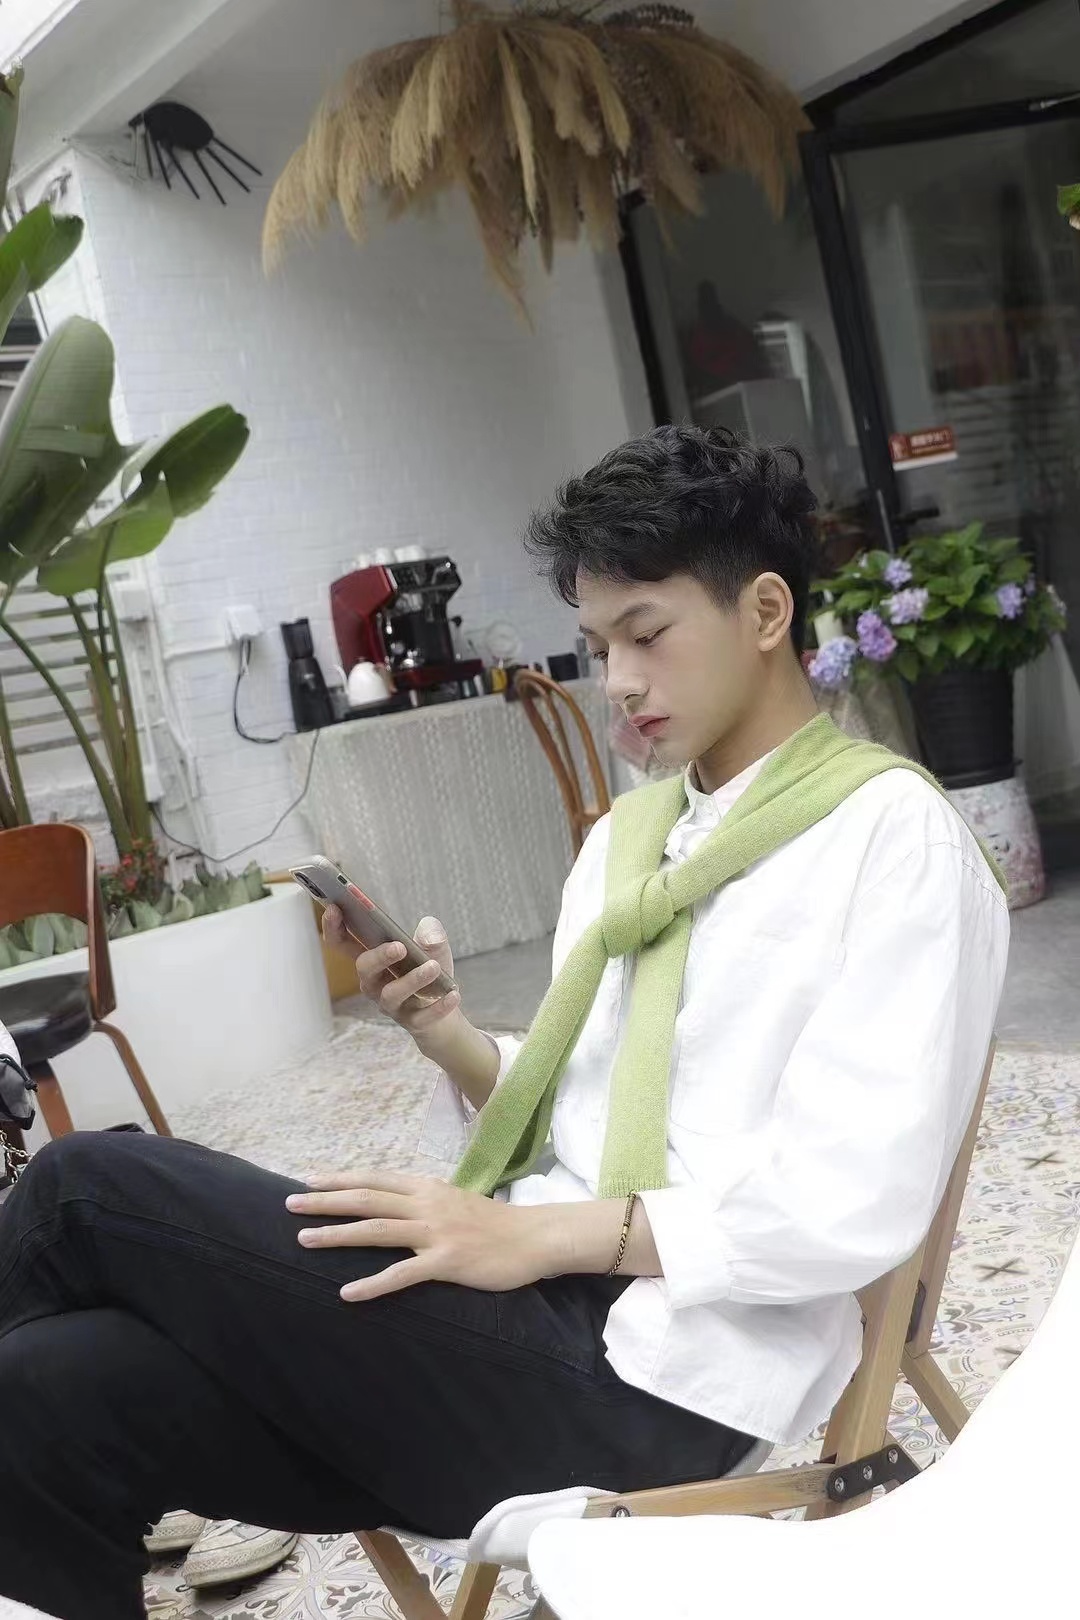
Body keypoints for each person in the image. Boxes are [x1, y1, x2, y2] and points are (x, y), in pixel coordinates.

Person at [0, 427, 1009, 1620]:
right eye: (600, 645)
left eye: (647, 634)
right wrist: (451, 1038)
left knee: (83, 1186)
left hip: (664, 1384)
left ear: (766, 611)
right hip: (512, 1330)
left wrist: (538, 1238)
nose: (618, 680)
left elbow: (853, 1200)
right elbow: (590, 1105)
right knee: (37, 1392)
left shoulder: (891, 839)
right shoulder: (630, 841)